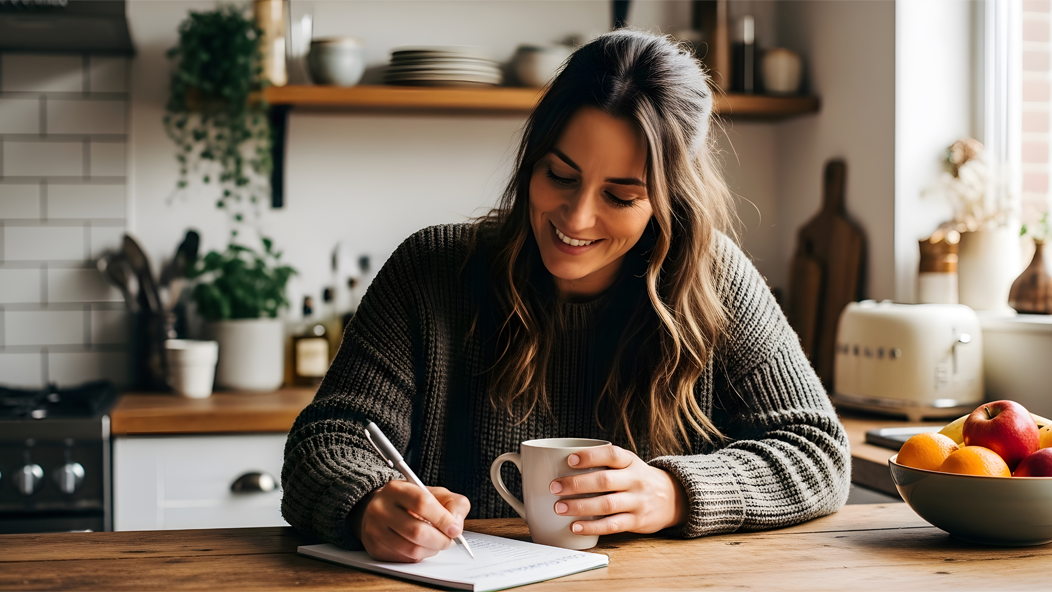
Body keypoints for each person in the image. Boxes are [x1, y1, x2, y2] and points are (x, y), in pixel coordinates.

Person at [281, 29, 850, 563]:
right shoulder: (431, 270)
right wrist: (364, 504)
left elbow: (819, 454)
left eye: (621, 196)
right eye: (560, 175)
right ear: (531, 161)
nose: (576, 217)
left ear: (667, 202)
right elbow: (323, 443)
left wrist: (674, 491)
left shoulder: (714, 277)